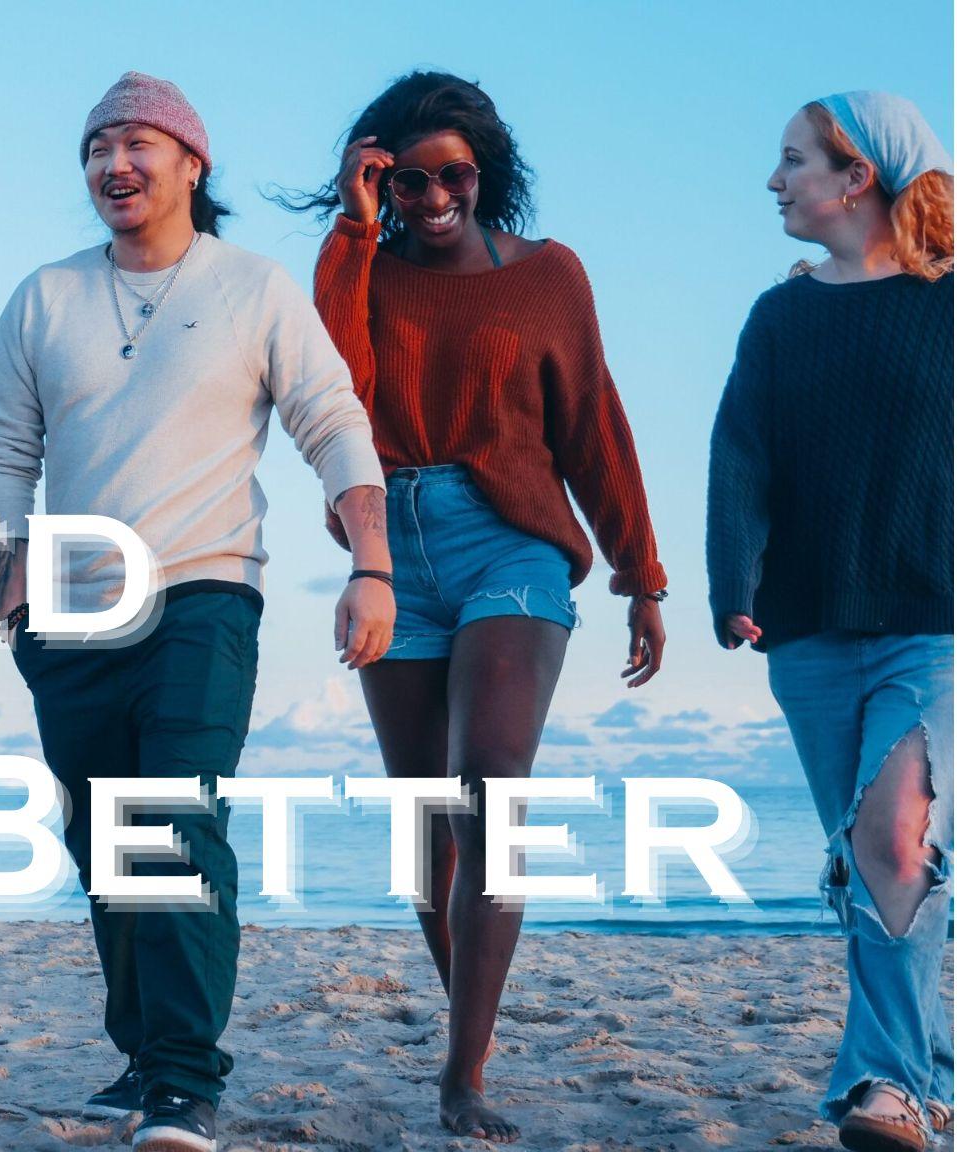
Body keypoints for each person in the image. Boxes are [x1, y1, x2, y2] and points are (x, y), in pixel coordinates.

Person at [0, 72, 391, 1152]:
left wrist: (371, 564)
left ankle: (183, 1079)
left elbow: (329, 420)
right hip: (68, 611)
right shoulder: (44, 296)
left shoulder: (251, 289)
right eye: (95, 146)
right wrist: (9, 585)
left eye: (136, 143)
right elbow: (4, 450)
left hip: (204, 590)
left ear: (190, 163)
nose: (113, 164)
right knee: (99, 839)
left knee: (172, 817)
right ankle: (144, 1051)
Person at [289, 70, 670, 1143]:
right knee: (425, 827)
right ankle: (476, 1034)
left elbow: (592, 417)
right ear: (379, 182)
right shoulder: (360, 268)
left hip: (509, 539)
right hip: (387, 547)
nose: (429, 196)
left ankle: (460, 1079)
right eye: (403, 179)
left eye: (448, 173)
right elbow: (334, 397)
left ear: (482, 169)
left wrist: (640, 573)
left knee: (488, 790)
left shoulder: (547, 275)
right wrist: (353, 237)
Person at [708, 91, 953, 1152]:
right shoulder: (779, 316)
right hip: (807, 627)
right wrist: (732, 581)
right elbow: (739, 456)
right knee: (873, 859)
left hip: (932, 619)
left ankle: (883, 1088)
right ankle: (923, 1067)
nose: (774, 181)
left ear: (855, 177)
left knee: (890, 833)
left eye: (792, 160)